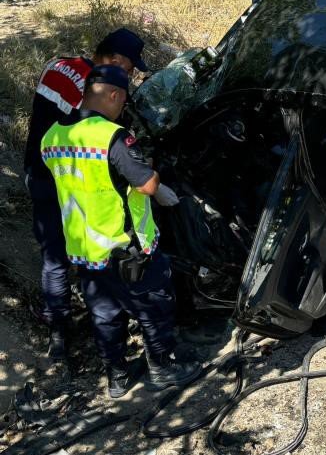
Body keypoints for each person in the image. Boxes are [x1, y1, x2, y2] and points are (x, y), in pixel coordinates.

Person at [39, 64, 200, 398]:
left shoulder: (51, 136)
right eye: (122, 102)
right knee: (154, 306)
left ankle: (117, 378)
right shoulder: (111, 136)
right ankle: (163, 367)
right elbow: (145, 183)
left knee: (104, 314)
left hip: (85, 249)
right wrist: (156, 179)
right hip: (126, 247)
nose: (122, 109)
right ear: (113, 95)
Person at [23, 28, 148, 361]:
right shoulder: (94, 87)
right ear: (117, 60)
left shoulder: (57, 65)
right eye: (131, 70)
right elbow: (101, 131)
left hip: (39, 173)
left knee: (54, 257)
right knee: (96, 249)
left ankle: (58, 334)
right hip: (75, 183)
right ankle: (107, 330)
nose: (129, 79)